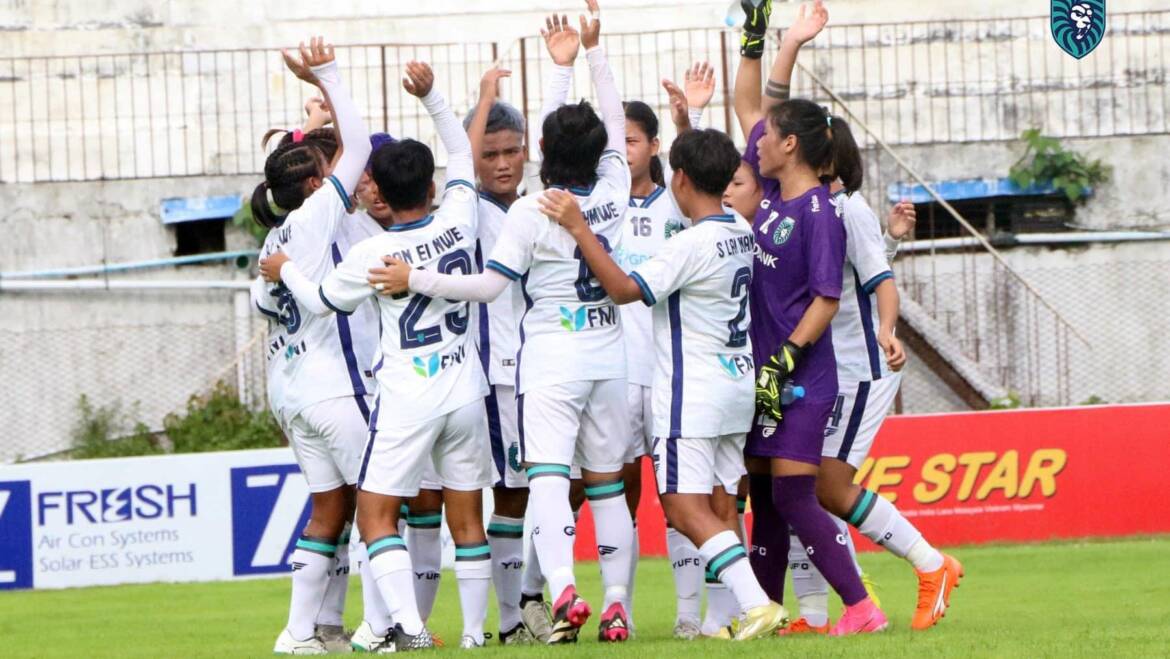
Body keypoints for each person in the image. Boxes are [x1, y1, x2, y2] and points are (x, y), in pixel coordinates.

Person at [371, 1, 636, 644]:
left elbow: (490, 284)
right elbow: (596, 126)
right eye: (489, 152)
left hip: (535, 366)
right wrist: (585, 61)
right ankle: (571, 604)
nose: (500, 162)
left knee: (535, 488)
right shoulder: (604, 188)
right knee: (584, 489)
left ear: (533, 151)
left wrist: (558, 70)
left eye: (514, 150)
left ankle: (529, 607)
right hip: (527, 366)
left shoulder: (527, 211)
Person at [261, 60, 494, 651]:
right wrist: (433, 96)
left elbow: (309, 301)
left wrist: (285, 272)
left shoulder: (350, 248)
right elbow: (461, 161)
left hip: (322, 390)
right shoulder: (460, 217)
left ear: (379, 191)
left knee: (354, 511)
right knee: (447, 516)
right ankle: (418, 629)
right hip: (451, 387)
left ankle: (307, 633)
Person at [541, 127, 792, 642]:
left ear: (679, 179)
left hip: (691, 391)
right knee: (723, 503)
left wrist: (580, 227)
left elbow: (622, 288)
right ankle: (727, 619)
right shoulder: (740, 227)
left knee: (680, 506)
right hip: (736, 383)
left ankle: (756, 604)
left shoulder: (692, 244)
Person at [784, 189, 963, 634]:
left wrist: (885, 329)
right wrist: (891, 239)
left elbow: (877, 279)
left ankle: (930, 562)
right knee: (792, 482)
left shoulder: (847, 207)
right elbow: (855, 269)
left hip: (858, 368)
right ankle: (815, 614)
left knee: (826, 484)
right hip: (826, 366)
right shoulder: (808, 204)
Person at [248, 37, 375, 656]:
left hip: (290, 392)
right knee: (378, 507)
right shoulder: (322, 213)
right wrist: (328, 75)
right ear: (315, 180)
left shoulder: (270, 243)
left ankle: (300, 633)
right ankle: (385, 626)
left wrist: (311, 123)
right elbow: (362, 143)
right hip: (334, 387)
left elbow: (264, 302)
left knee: (331, 511)